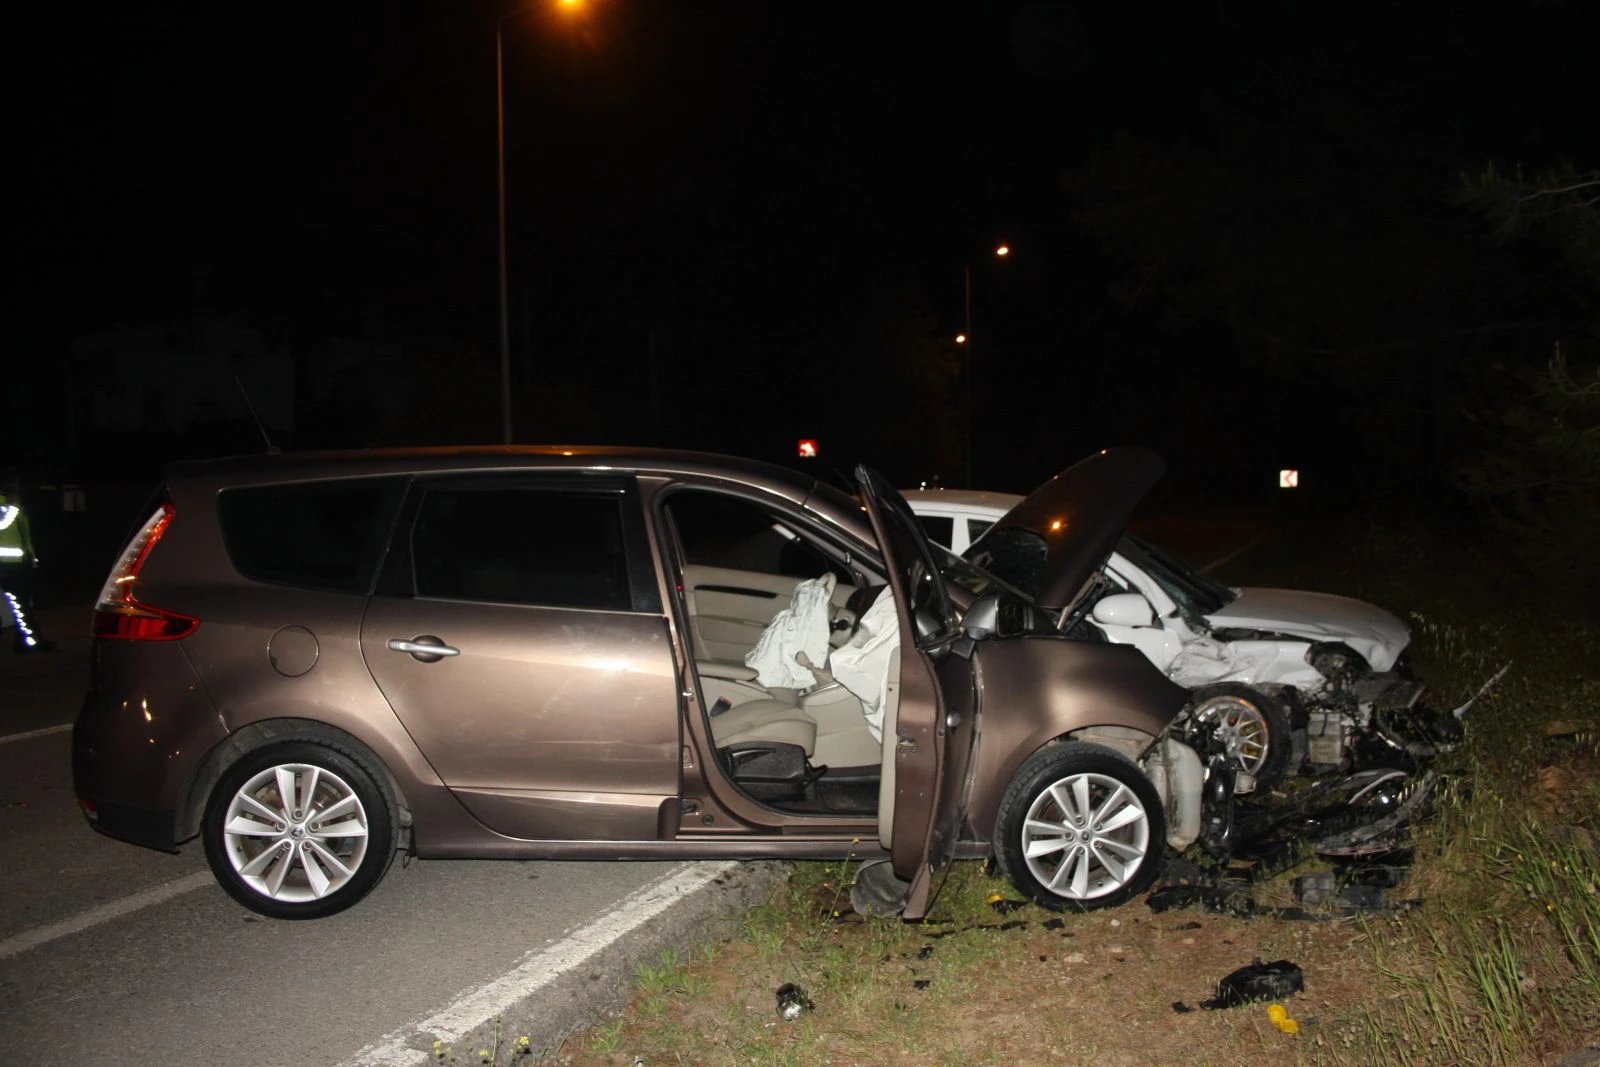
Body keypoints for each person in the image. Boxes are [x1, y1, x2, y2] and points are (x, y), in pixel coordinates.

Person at [0, 475, 50, 654]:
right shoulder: (7, 506)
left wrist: (32, 559)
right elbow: (3, 525)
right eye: (15, 484)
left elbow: (24, 538)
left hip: (19, 564)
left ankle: (24, 642)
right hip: (8, 564)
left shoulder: (13, 506)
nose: (18, 488)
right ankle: (32, 642)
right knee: (20, 604)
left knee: (21, 604)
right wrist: (13, 506)